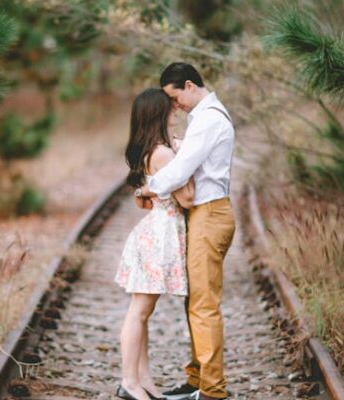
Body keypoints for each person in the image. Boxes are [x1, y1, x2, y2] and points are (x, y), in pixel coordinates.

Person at [137, 62, 236, 400]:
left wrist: (148, 188)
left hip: (210, 215)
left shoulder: (209, 119)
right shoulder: (202, 118)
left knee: (203, 305)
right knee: (195, 301)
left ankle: (212, 391)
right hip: (203, 215)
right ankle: (197, 380)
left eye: (174, 96)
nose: (173, 105)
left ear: (190, 86)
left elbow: (180, 171)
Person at [115, 88, 196, 400]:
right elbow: (187, 198)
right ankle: (129, 382)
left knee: (142, 313)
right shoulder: (163, 153)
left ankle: (143, 379)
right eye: (169, 106)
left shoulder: (156, 149)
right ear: (158, 114)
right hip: (160, 235)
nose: (175, 109)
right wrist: (182, 159)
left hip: (155, 229)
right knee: (139, 312)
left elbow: (147, 201)